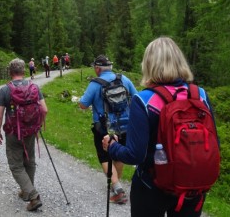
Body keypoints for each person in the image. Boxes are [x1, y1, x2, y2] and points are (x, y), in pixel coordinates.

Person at [102, 37, 217, 216]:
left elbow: (134, 155)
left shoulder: (144, 100)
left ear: (148, 64)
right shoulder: (200, 95)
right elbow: (214, 142)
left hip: (152, 187)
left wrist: (112, 147)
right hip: (192, 187)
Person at [79, 54, 137, 204]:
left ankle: (117, 189)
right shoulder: (123, 79)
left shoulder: (95, 83)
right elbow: (136, 98)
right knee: (118, 154)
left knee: (104, 157)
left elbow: (83, 105)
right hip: (124, 125)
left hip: (103, 128)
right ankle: (115, 185)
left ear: (97, 68)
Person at [0, 58, 48, 212]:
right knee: (29, 160)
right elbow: (44, 110)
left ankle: (32, 195)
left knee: (16, 165)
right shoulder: (34, 87)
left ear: (10, 72)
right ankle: (27, 190)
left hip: (13, 132)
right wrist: (38, 126)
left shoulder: (5, 90)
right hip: (30, 130)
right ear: (24, 71)